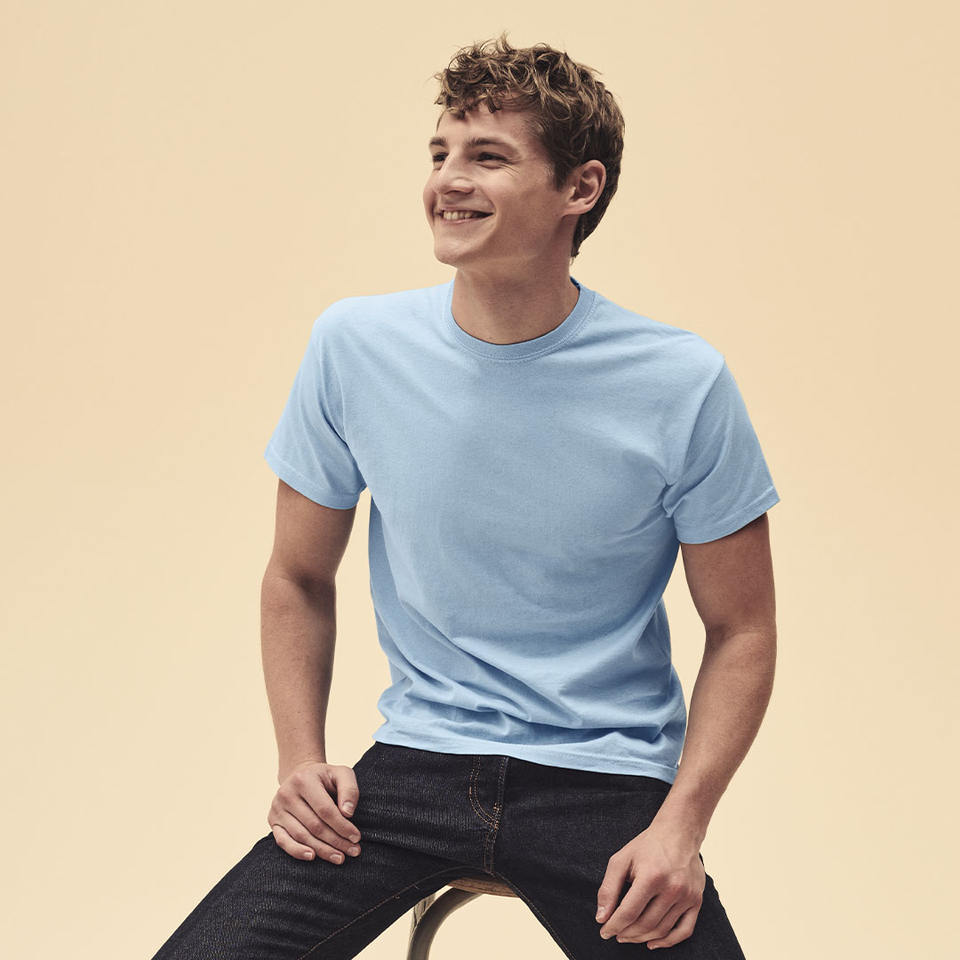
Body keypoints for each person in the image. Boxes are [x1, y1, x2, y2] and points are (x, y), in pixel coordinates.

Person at [150, 32, 779, 959]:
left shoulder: (680, 382)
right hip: (412, 770)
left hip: (604, 782)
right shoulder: (354, 348)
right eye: (440, 152)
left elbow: (743, 628)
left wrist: (681, 827)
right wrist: (299, 760)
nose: (447, 179)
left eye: (488, 156)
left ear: (580, 188)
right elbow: (295, 576)